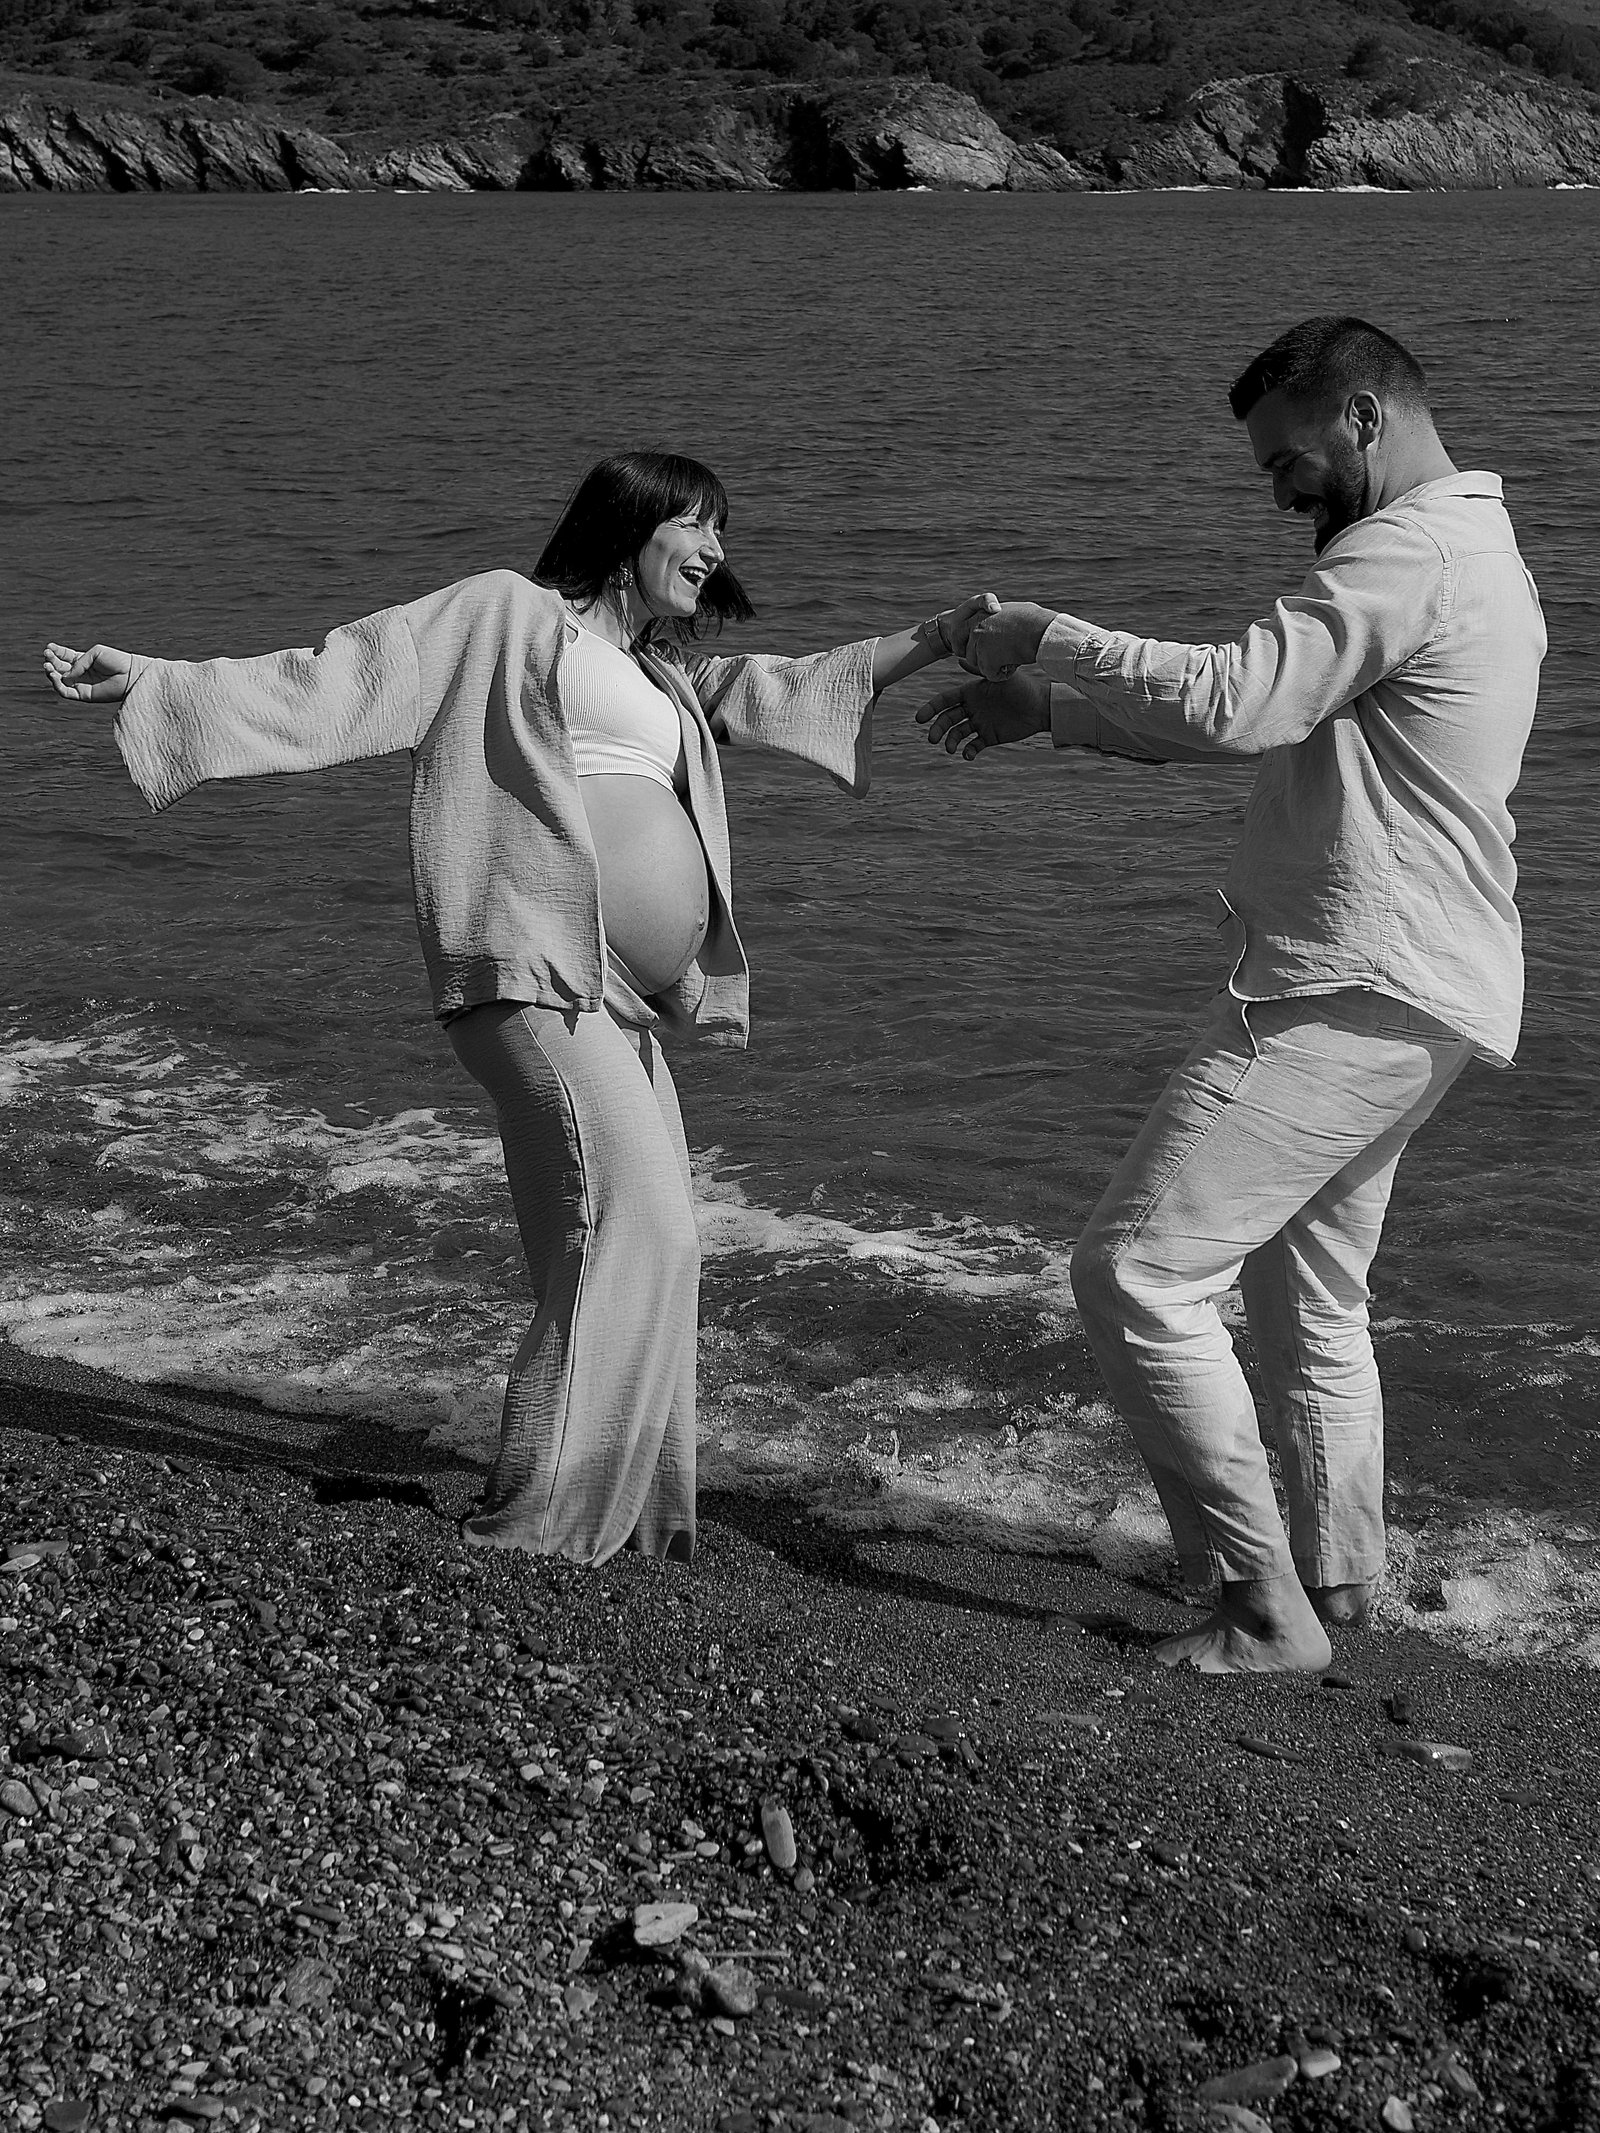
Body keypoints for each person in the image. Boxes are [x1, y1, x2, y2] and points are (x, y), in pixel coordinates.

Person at [46, 450, 994, 1569]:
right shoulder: (507, 615)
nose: (715, 548)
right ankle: (545, 1519)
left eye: (723, 531)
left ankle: (632, 1513)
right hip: (533, 969)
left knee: (619, 1242)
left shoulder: (661, 676)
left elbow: (789, 687)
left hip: (616, 1000)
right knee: (643, 1229)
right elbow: (343, 675)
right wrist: (160, 682)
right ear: (627, 526)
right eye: (695, 523)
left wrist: (938, 637)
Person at [920, 317, 1545, 1675]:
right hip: (1422, 987)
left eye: (1286, 459)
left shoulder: (1408, 553)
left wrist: (1049, 638)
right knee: (1311, 1295)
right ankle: (1336, 1577)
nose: (1277, 492)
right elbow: (1275, 714)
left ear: (1364, 415)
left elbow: (1237, 701)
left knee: (1136, 1274)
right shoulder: (1468, 552)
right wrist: (1053, 709)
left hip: (1348, 983)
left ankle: (1264, 1611)